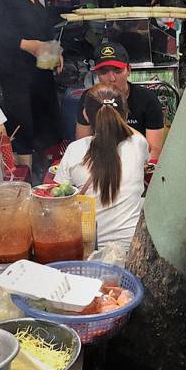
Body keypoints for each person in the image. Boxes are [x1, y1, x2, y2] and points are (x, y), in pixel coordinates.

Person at [0, 0, 62, 178]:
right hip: (14, 67)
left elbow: (45, 22)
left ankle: (48, 174)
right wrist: (27, 45)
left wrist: (55, 50)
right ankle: (26, 178)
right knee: (22, 120)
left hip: (42, 65)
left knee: (46, 116)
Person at [55, 84, 148, 248]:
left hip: (89, 250)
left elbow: (57, 200)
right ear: (125, 114)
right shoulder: (139, 143)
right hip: (132, 249)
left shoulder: (74, 150)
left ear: (85, 114)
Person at [75, 42, 165, 161]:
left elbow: (154, 152)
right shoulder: (89, 98)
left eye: (117, 71)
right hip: (100, 166)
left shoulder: (148, 100)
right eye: (104, 72)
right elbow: (82, 146)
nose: (112, 79)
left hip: (138, 163)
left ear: (128, 70)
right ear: (96, 74)